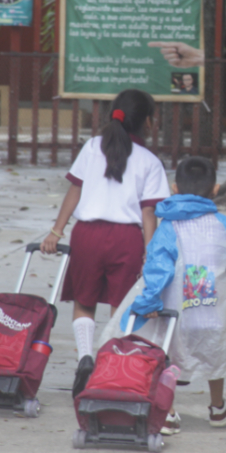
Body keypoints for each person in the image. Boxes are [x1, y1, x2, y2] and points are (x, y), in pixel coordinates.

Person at [102, 156, 226, 435]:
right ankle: (217, 407)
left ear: (174, 188)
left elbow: (158, 268)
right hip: (214, 311)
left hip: (175, 314)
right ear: (216, 189)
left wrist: (149, 302)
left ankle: (168, 412)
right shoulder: (225, 225)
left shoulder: (168, 227)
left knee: (165, 352)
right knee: (216, 350)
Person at [41, 88, 170, 395]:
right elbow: (148, 212)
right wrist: (150, 254)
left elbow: (75, 190)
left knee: (84, 302)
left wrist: (56, 231)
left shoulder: (91, 147)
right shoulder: (149, 161)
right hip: (126, 240)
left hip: (86, 235)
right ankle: (111, 365)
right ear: (148, 123)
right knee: (121, 306)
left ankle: (85, 358)